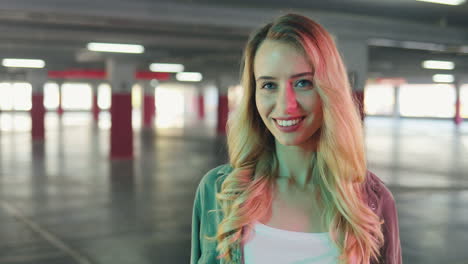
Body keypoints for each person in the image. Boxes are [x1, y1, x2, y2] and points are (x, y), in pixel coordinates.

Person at [191, 13, 402, 264]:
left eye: (303, 83)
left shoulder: (375, 201)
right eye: (269, 85)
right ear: (253, 96)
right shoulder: (217, 191)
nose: (286, 105)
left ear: (329, 90)